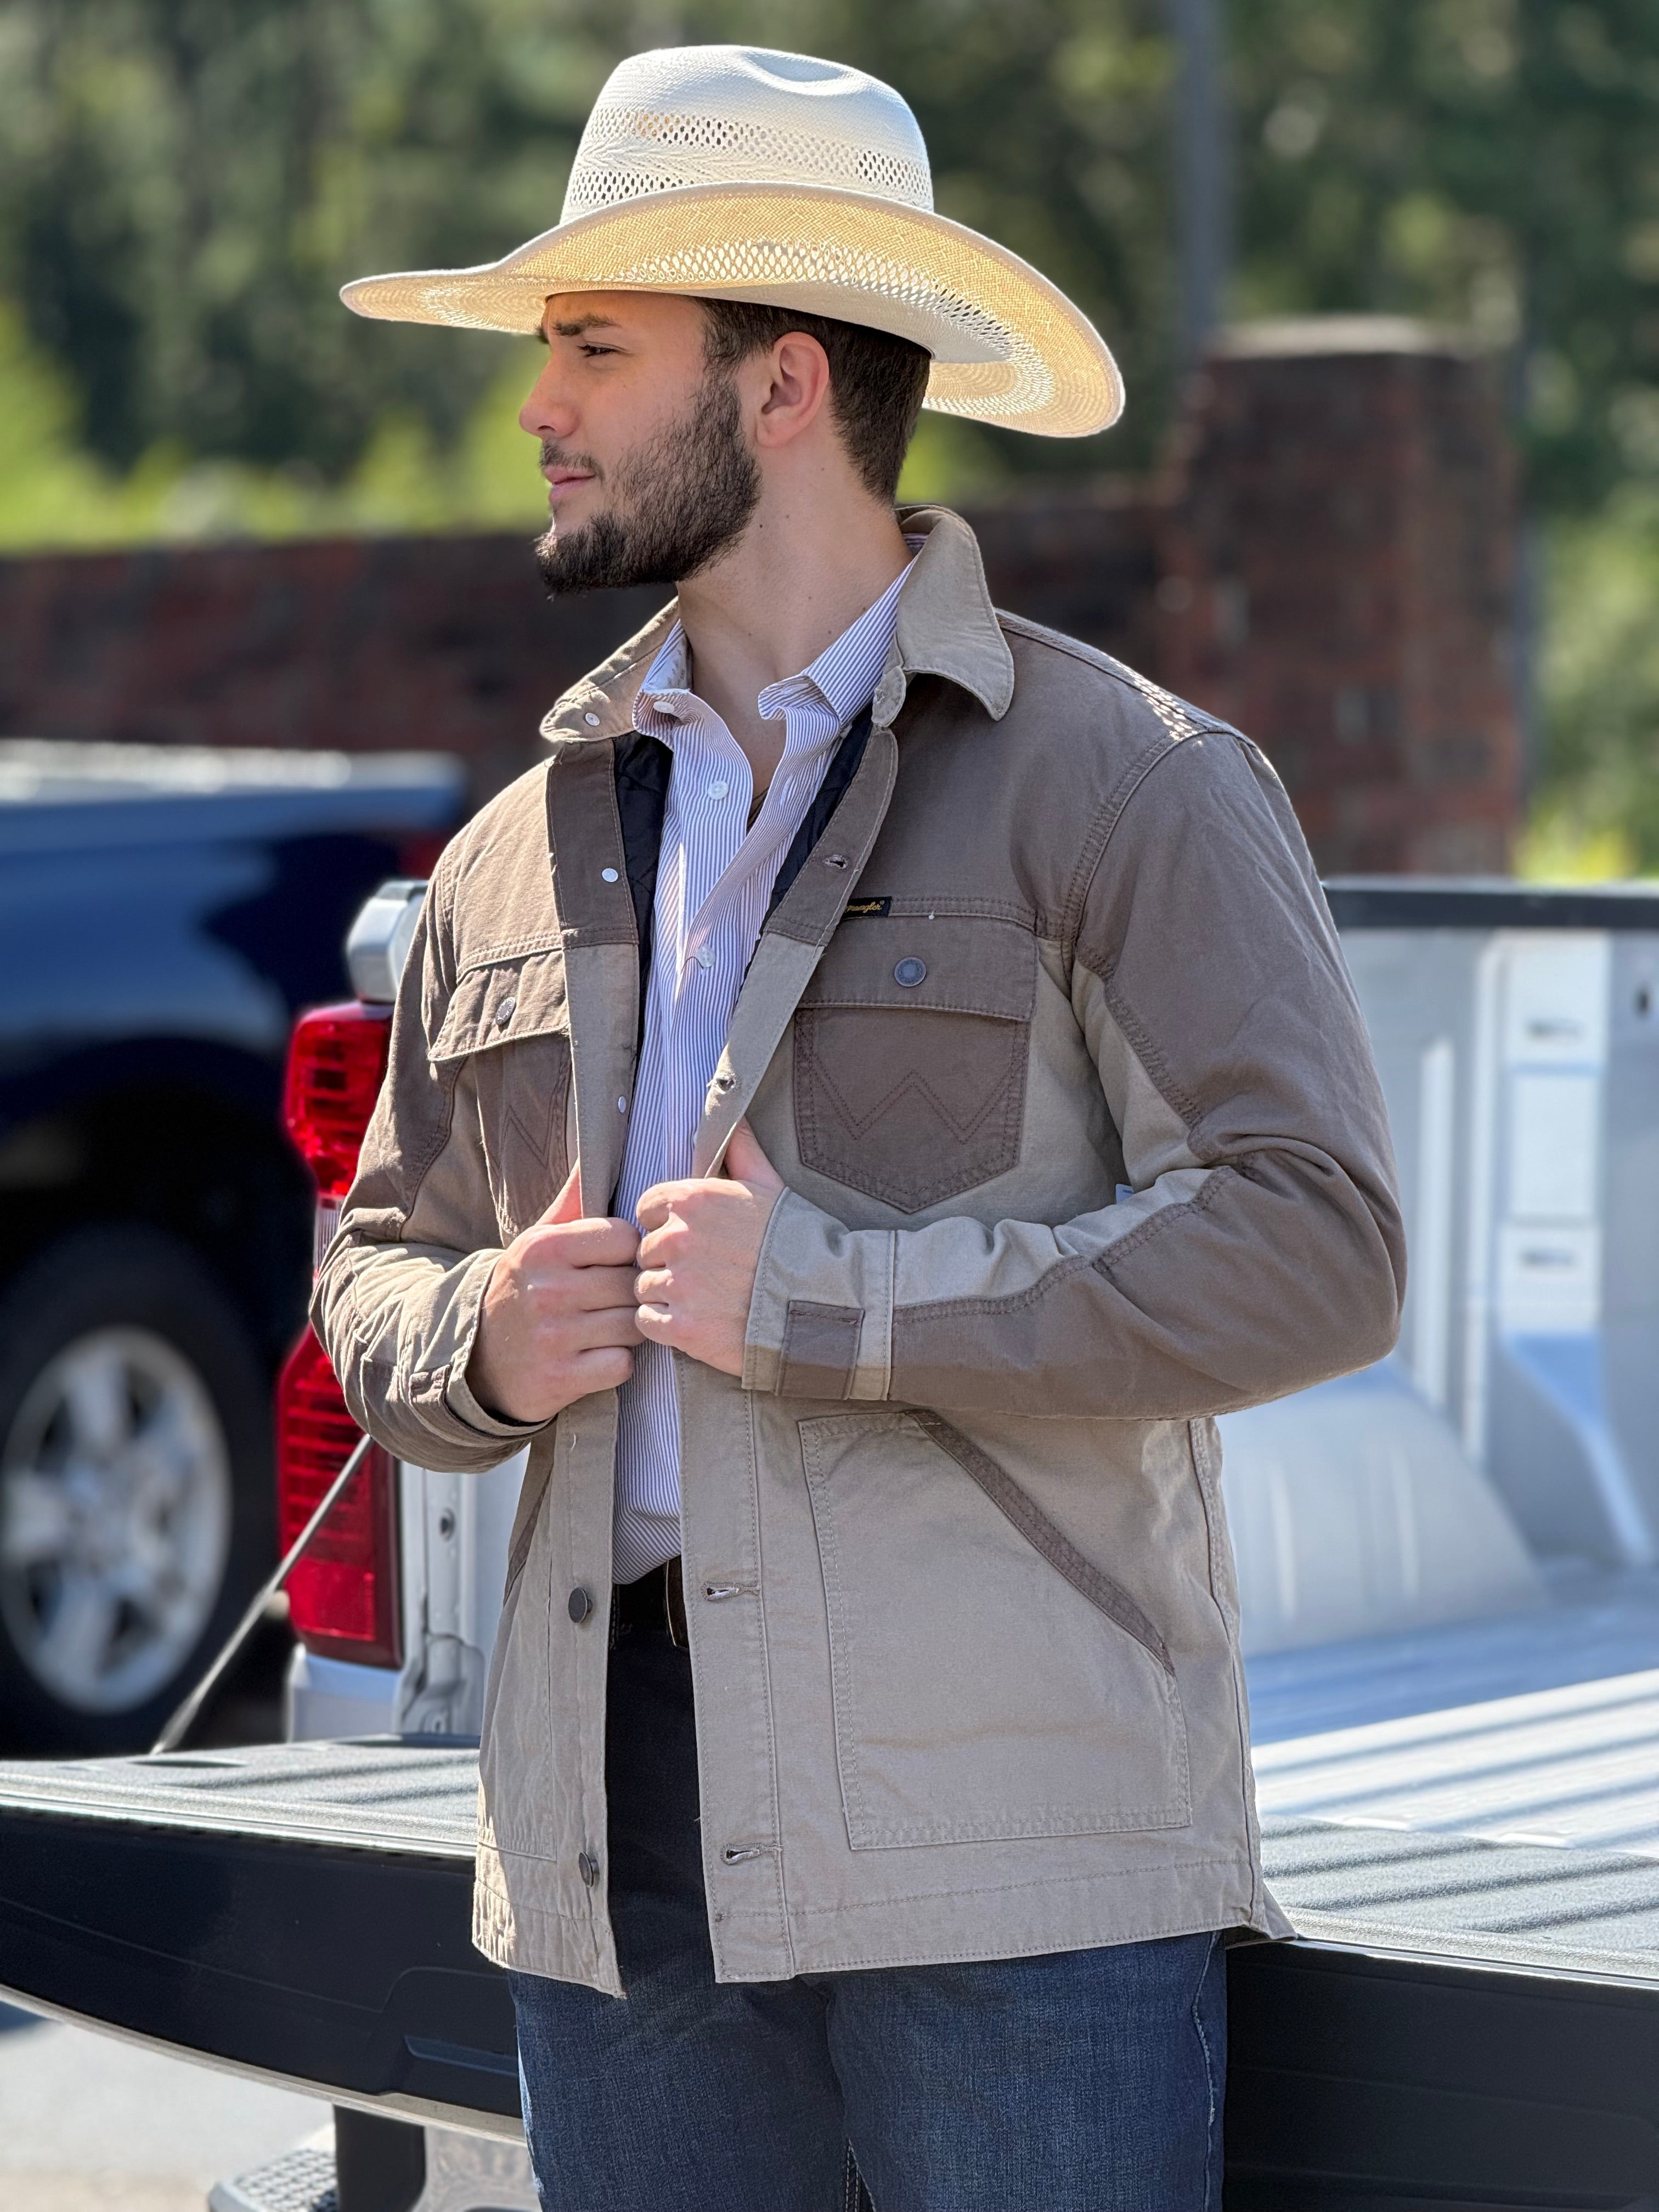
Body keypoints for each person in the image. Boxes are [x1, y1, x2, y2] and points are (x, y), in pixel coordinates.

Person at [319, 43, 1404, 2212]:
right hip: (606, 1857)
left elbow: (1318, 1245)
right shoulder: (520, 847)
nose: (540, 407)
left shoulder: (1134, 783)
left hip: (1008, 1862)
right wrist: (477, 1347)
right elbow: (377, 1260)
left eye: (596, 349)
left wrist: (837, 1309)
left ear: (785, 384)